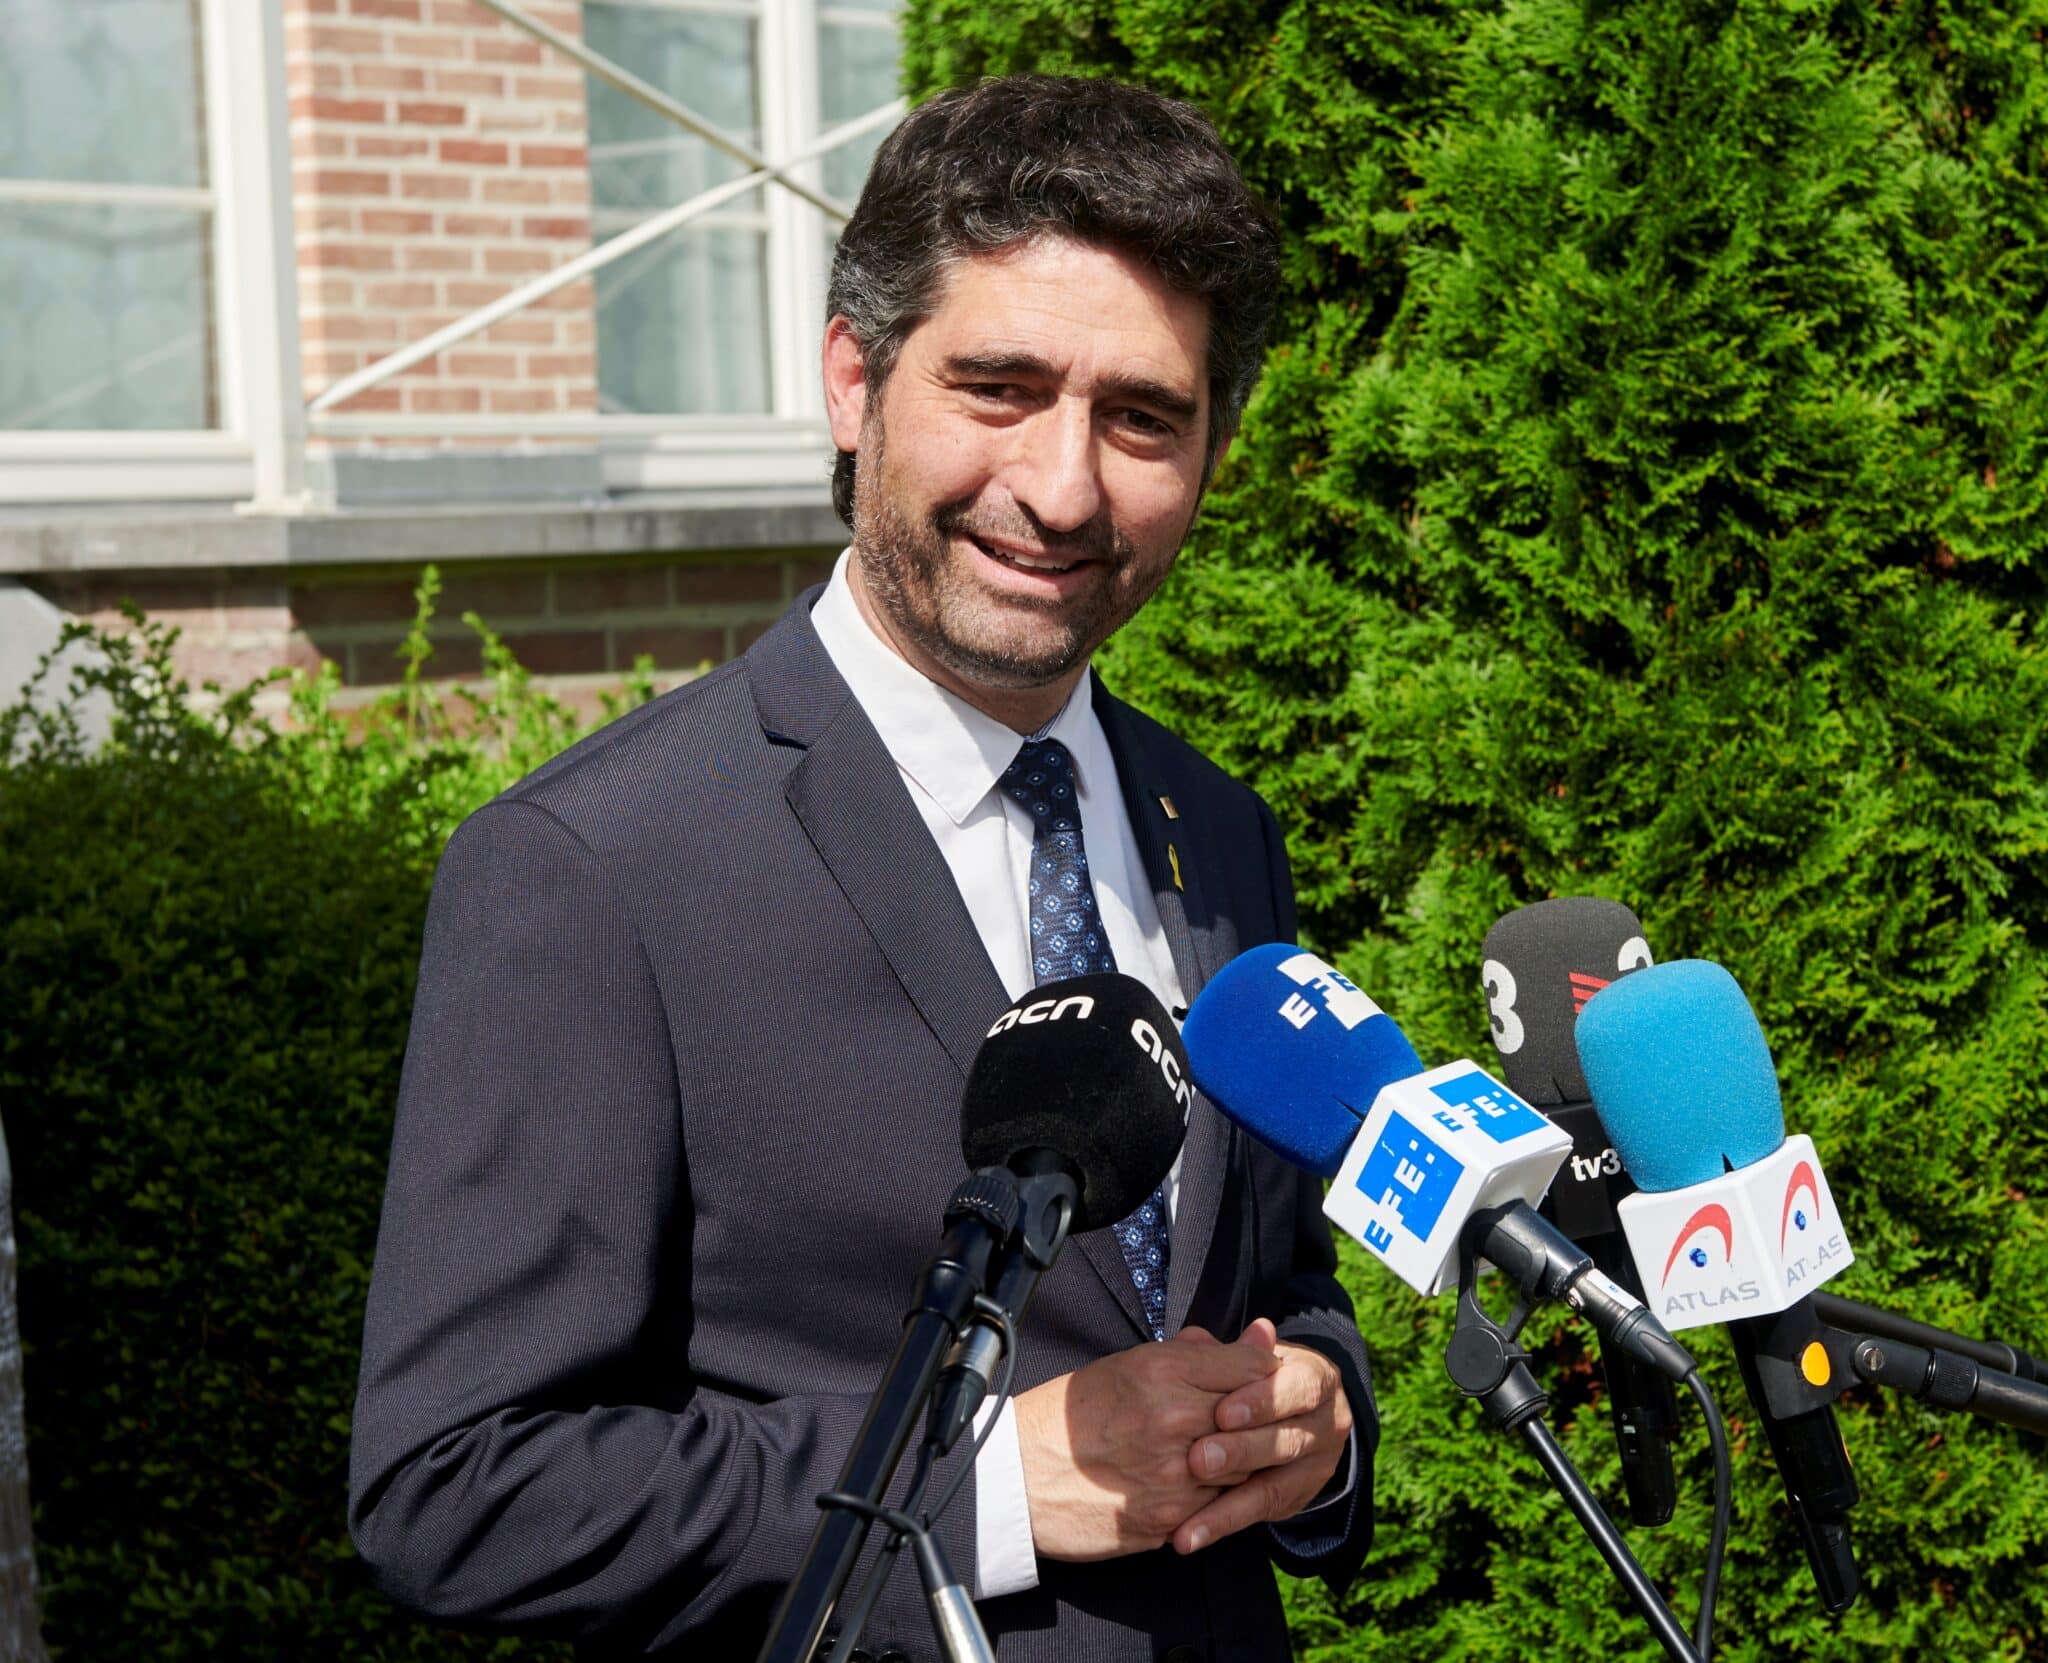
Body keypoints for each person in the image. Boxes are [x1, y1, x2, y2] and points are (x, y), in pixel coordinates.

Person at [350, 74, 1377, 1662]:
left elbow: (1276, 1284)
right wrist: (980, 1491)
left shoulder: (1217, 828)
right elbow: (460, 1485)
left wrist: (1314, 1423)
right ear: (853, 380)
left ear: (1212, 452)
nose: (1062, 487)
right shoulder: (594, 864)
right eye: (999, 387)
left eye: (1141, 418)